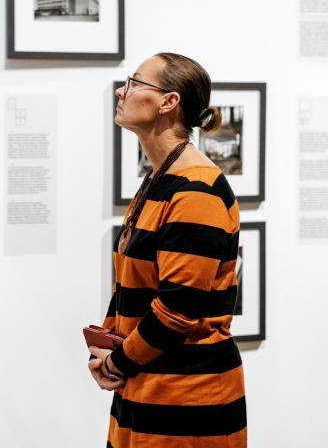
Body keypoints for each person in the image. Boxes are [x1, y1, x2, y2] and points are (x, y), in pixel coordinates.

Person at [88, 52, 247, 447]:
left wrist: (116, 361)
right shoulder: (160, 179)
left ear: (168, 102)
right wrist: (108, 342)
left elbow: (177, 310)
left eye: (135, 82)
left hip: (186, 398)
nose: (122, 92)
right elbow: (131, 280)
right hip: (146, 384)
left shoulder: (197, 190)